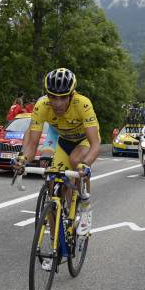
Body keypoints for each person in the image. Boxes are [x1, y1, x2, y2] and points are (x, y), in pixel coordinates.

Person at [15, 68, 100, 241]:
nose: (58, 103)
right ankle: (56, 245)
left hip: (83, 141)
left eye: (63, 97)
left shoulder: (83, 104)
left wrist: (86, 165)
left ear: (71, 94)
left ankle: (85, 207)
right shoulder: (42, 106)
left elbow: (95, 144)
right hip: (64, 142)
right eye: (53, 97)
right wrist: (23, 159)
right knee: (52, 181)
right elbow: (32, 144)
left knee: (77, 160)